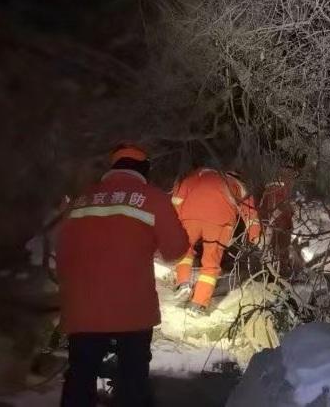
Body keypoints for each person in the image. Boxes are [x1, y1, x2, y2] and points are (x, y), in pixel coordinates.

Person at [57, 144, 189, 407]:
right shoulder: (152, 198)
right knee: (132, 380)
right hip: (132, 309)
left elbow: (61, 254)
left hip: (83, 309)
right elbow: (175, 250)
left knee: (80, 376)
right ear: (144, 170)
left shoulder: (82, 199)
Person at [171, 167, 262, 314]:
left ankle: (183, 283)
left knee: (184, 251)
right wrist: (255, 235)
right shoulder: (239, 186)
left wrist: (173, 217)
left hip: (190, 215)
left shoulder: (202, 174)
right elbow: (250, 212)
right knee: (211, 263)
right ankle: (198, 303)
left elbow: (179, 194)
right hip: (220, 221)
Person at [259, 166, 298, 273]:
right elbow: (282, 207)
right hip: (280, 225)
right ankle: (280, 271)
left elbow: (264, 207)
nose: (293, 180)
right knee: (281, 248)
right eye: (292, 176)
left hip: (272, 224)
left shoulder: (271, 189)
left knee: (274, 249)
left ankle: (273, 270)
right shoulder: (281, 189)